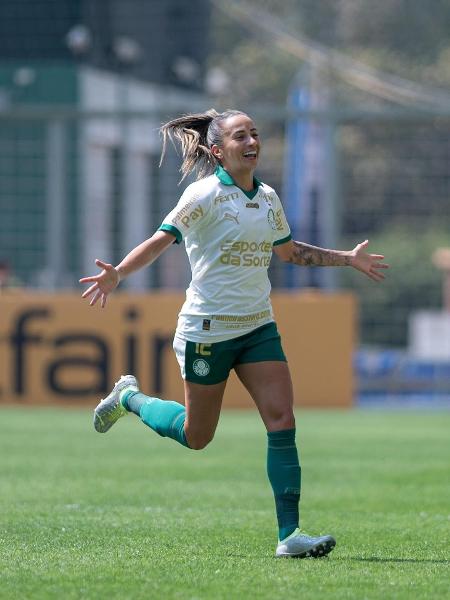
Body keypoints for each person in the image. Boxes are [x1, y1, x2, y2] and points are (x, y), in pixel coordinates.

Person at [80, 109, 388, 558]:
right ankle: (129, 398)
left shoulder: (267, 197)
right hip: (208, 330)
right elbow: (161, 238)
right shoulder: (202, 195)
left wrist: (346, 258)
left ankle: (289, 536)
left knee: (282, 420)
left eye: (255, 134)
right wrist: (119, 274)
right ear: (217, 150)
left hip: (258, 326)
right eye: (240, 136)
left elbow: (290, 253)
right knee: (196, 435)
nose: (252, 142)